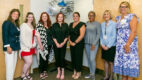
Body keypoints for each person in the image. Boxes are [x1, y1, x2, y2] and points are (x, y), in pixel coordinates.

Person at [113, 1, 140, 80]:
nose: (123, 8)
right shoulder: (118, 18)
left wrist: (128, 44)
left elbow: (133, 31)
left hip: (129, 44)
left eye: (125, 7)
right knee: (123, 68)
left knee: (129, 66)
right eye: (121, 6)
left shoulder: (132, 17)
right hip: (120, 46)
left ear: (128, 8)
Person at [20, 12, 43, 80]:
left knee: (29, 62)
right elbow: (22, 37)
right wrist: (29, 45)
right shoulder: (23, 25)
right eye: (29, 17)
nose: (31, 18)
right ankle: (22, 75)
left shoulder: (32, 26)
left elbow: (34, 36)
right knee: (29, 62)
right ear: (27, 17)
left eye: (32, 17)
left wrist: (35, 45)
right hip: (25, 47)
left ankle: (26, 74)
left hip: (31, 47)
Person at [2, 9, 20, 80]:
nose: (16, 15)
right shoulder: (7, 23)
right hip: (10, 47)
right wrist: (8, 47)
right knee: (9, 67)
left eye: (17, 14)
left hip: (15, 47)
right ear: (11, 14)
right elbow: (5, 35)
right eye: (14, 13)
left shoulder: (15, 24)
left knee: (13, 66)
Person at [36, 12, 54, 79]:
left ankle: (45, 71)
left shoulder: (50, 25)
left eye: (46, 16)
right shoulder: (39, 25)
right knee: (42, 59)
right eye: (43, 16)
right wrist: (40, 45)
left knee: (46, 59)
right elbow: (37, 36)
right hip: (42, 45)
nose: (44, 17)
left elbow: (51, 35)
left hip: (49, 44)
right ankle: (41, 72)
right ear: (41, 17)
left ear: (47, 17)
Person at [69, 12, 86, 79]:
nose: (75, 17)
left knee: (78, 58)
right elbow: (69, 34)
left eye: (76, 16)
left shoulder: (82, 24)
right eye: (74, 16)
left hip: (78, 44)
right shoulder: (70, 24)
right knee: (73, 57)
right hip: (71, 43)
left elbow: (82, 35)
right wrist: (70, 41)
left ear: (79, 17)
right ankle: (75, 71)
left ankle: (79, 72)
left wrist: (75, 42)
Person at [100, 10, 116, 80]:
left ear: (110, 16)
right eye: (105, 14)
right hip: (104, 46)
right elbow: (101, 35)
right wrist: (102, 44)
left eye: (107, 14)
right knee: (105, 61)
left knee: (111, 62)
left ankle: (111, 77)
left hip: (111, 46)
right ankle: (106, 75)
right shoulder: (102, 24)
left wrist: (108, 46)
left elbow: (114, 36)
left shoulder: (114, 24)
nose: (106, 15)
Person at [84, 11, 101, 80]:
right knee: (89, 59)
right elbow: (84, 33)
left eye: (92, 15)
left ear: (94, 16)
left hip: (94, 44)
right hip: (86, 43)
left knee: (92, 59)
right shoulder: (86, 23)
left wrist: (94, 43)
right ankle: (91, 73)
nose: (90, 17)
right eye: (89, 15)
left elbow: (98, 34)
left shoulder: (97, 24)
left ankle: (93, 74)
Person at [52, 12, 69, 80]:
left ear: (63, 18)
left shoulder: (66, 25)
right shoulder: (54, 25)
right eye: (59, 17)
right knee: (57, 58)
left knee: (62, 58)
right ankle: (58, 72)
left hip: (63, 45)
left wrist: (62, 43)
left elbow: (67, 35)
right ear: (57, 18)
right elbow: (53, 35)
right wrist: (57, 43)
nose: (60, 18)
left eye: (61, 17)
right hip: (56, 44)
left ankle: (62, 73)